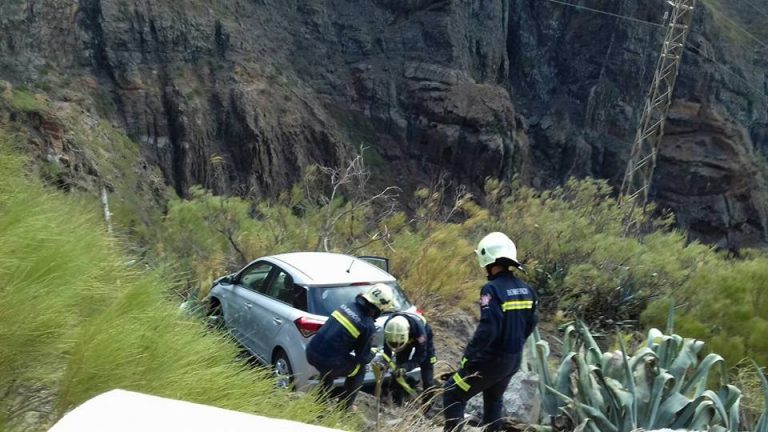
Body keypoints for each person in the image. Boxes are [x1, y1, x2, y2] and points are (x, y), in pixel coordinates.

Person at [443, 232, 538, 432]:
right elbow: (531, 324)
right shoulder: (527, 290)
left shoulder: (491, 289)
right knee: (494, 399)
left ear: (487, 259)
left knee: (453, 393)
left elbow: (488, 330)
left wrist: (468, 358)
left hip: (490, 362)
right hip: (513, 361)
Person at [306, 283, 396, 408]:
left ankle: (320, 402)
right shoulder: (367, 324)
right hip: (327, 361)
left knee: (331, 360)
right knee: (359, 370)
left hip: (311, 351)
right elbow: (362, 358)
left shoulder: (347, 305)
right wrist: (373, 352)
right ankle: (343, 409)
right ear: (380, 307)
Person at [381, 312, 437, 406]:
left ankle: (428, 406)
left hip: (422, 336)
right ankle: (397, 403)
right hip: (403, 339)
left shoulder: (420, 334)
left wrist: (406, 367)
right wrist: (385, 362)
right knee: (397, 372)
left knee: (427, 372)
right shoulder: (389, 328)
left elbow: (420, 356)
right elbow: (386, 349)